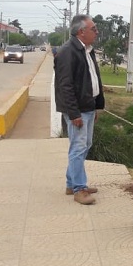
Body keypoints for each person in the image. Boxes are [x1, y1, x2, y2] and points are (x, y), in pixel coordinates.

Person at [54, 14, 104, 205]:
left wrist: (96, 106)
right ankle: (79, 189)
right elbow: (64, 85)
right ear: (81, 31)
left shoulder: (88, 50)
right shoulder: (68, 52)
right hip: (77, 110)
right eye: (94, 28)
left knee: (85, 145)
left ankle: (71, 182)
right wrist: (74, 113)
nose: (97, 31)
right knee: (78, 147)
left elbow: (92, 79)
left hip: (88, 107)